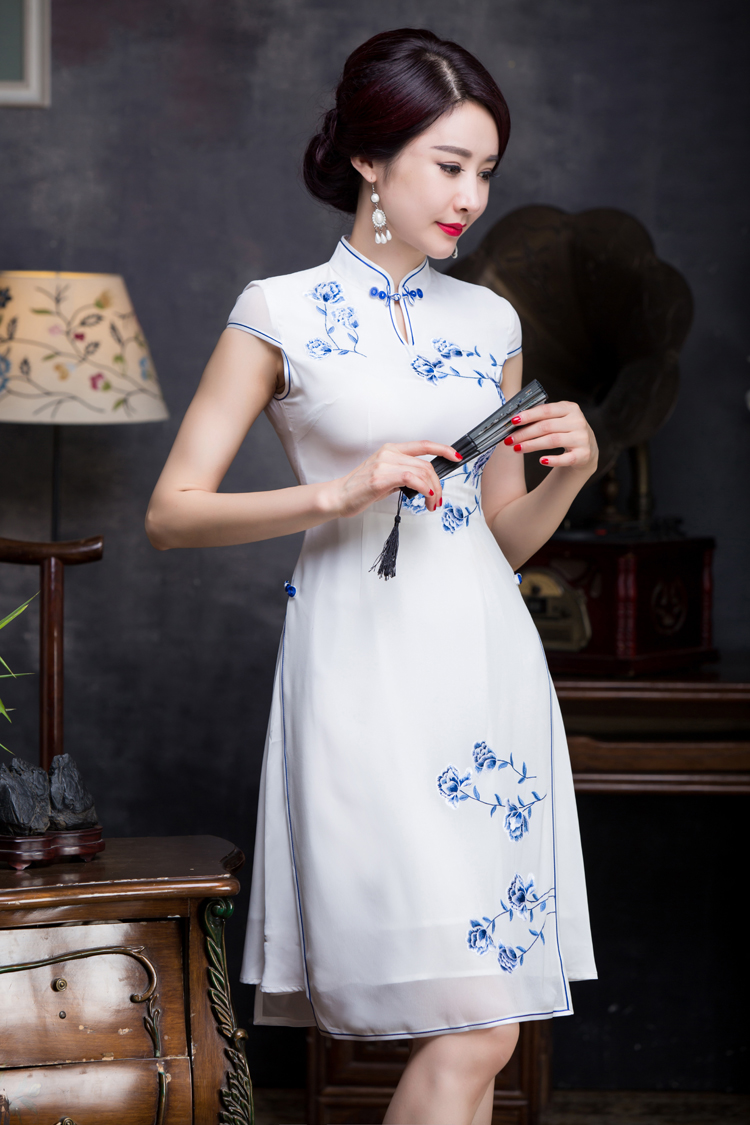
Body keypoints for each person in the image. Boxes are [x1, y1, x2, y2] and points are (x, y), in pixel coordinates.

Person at [146, 28, 598, 1125]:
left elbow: (501, 541)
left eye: (485, 170)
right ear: (368, 158)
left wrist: (573, 476)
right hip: (364, 674)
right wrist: (338, 492)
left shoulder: (490, 320)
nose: (470, 196)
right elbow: (172, 513)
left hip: (486, 675)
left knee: (486, 1028)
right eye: (448, 164)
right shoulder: (279, 311)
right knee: (477, 1026)